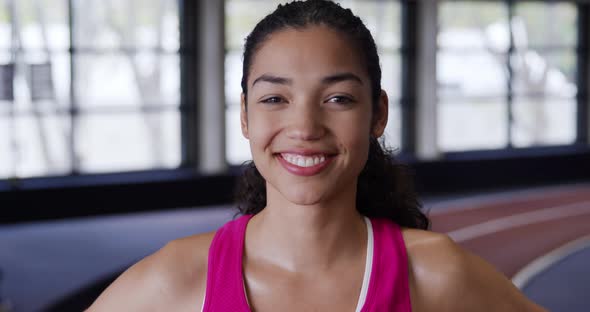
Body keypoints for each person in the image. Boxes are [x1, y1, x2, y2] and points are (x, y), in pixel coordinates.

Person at [87, 1, 547, 311]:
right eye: (274, 100)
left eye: (338, 98)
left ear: (377, 113)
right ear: (245, 116)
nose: (305, 128)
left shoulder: (434, 272)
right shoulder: (179, 278)